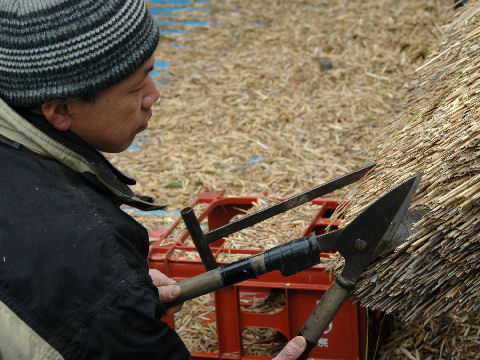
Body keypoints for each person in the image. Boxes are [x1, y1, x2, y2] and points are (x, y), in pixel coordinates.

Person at [0, 0, 307, 359]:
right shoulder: (93, 266)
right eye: (135, 88)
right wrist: (115, 299)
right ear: (62, 110)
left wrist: (119, 301)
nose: (154, 95)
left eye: (151, 72)